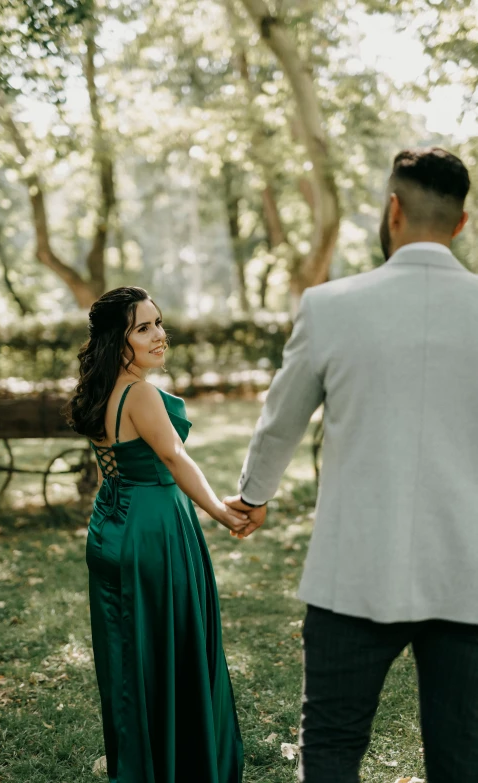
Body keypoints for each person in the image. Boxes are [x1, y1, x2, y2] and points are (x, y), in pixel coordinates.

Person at [225, 147, 478, 783]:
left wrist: (254, 495)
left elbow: (281, 421)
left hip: (353, 571)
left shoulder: (330, 306)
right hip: (469, 570)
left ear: (392, 210)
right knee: (465, 757)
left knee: (333, 748)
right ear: (463, 222)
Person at [65, 287, 245, 783]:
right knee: (169, 649)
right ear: (115, 340)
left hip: (111, 527)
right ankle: (176, 765)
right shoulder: (139, 392)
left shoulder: (101, 388)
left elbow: (113, 468)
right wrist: (221, 511)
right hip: (153, 534)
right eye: (143, 328)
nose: (159, 335)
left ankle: (144, 764)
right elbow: (173, 457)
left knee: (131, 660)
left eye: (158, 323)